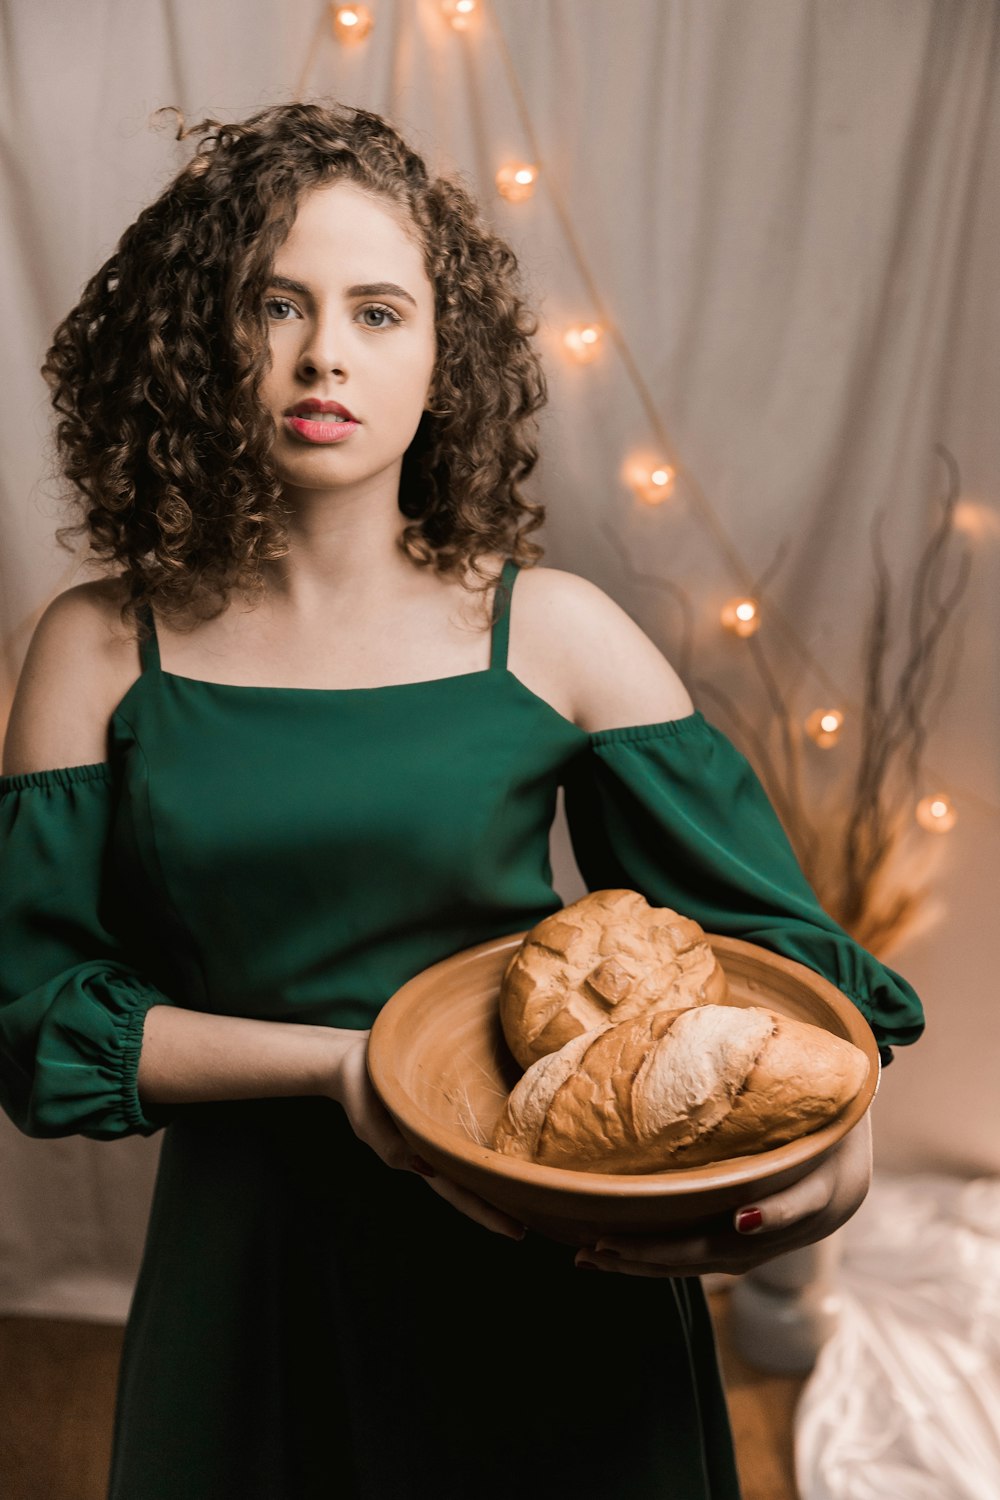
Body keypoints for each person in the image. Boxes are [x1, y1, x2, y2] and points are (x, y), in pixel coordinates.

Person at [0, 99, 923, 1499]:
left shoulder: (555, 633)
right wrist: (338, 1068)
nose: (325, 354)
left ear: (446, 362)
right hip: (254, 1277)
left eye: (379, 312)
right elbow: (37, 1018)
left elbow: (784, 980)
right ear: (201, 339)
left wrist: (831, 1164)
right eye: (275, 304)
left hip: (545, 1254)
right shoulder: (93, 644)